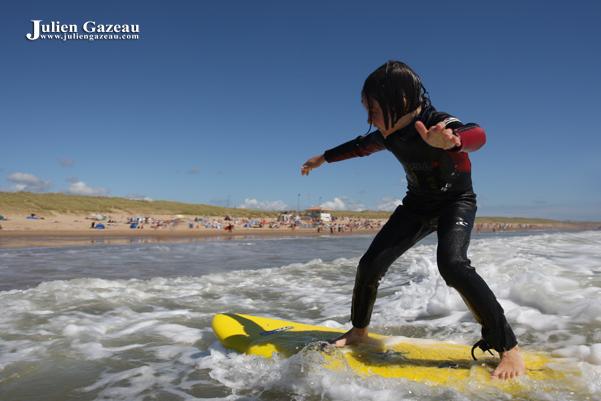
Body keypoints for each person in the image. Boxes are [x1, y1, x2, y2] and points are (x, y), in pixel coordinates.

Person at [301, 61, 525, 380]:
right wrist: (324, 158)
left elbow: (477, 134)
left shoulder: (439, 124)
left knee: (453, 265)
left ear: (401, 102)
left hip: (455, 203)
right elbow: (359, 147)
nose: (369, 119)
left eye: (374, 110)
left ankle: (509, 348)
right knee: (369, 266)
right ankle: (359, 331)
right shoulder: (388, 134)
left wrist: (453, 141)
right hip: (416, 206)